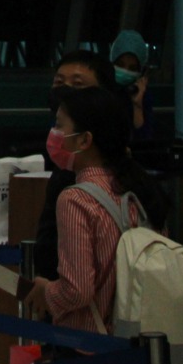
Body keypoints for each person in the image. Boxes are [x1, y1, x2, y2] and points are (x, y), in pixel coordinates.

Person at [26, 85, 169, 364]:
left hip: (86, 356)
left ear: (85, 139)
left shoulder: (75, 199)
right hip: (134, 351)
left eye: (61, 126)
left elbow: (77, 289)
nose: (54, 134)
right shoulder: (138, 192)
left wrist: (44, 292)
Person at [35, 50, 120, 278]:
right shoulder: (66, 169)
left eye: (78, 84)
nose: (65, 90)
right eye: (59, 82)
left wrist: (47, 291)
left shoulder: (76, 193)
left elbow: (77, 286)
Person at [110, 29, 153, 136]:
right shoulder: (101, 90)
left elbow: (144, 139)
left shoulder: (143, 96)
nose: (125, 70)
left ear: (141, 72)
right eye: (120, 65)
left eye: (132, 68)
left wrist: (137, 105)